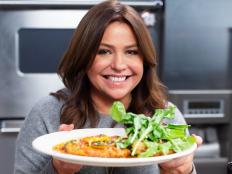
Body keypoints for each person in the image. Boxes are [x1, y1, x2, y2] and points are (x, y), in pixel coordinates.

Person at [14, 0, 202, 174]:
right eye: (104, 51)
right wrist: (58, 169)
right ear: (84, 56)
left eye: (131, 52)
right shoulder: (47, 112)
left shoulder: (166, 117)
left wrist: (183, 171)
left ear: (144, 59)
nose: (119, 65)